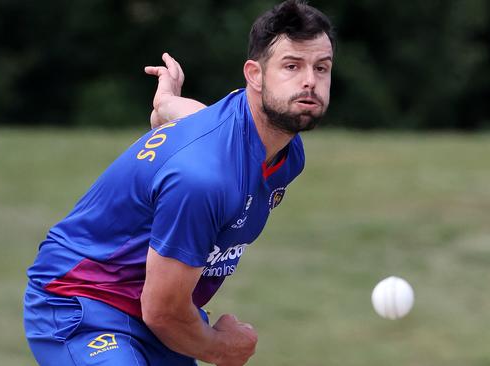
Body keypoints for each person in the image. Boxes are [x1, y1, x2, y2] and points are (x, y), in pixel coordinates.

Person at [23, 1, 335, 365]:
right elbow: (162, 312)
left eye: (322, 68)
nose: (310, 80)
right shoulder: (203, 178)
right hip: (84, 301)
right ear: (255, 74)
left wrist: (167, 104)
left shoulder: (283, 152)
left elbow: (202, 121)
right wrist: (224, 348)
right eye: (292, 66)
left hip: (156, 315)